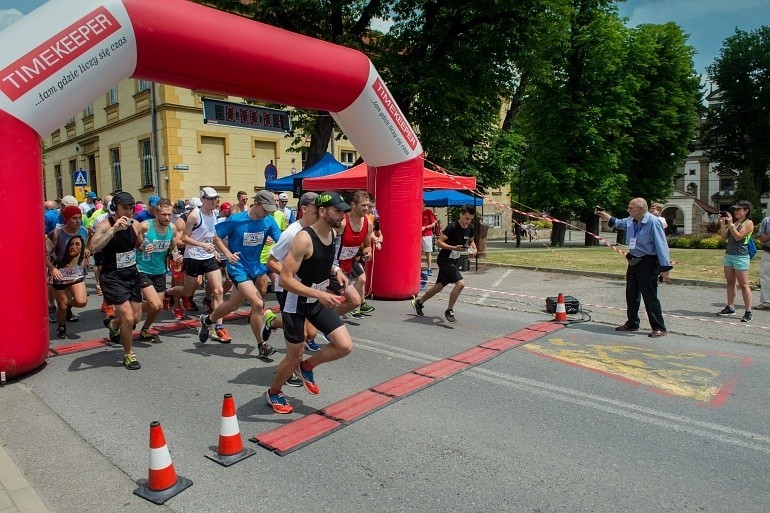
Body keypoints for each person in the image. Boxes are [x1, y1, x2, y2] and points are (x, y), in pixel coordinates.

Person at [265, 191, 352, 414]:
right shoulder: (302, 238)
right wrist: (319, 295)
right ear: (322, 212)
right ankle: (274, 391)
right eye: (337, 210)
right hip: (296, 301)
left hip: (315, 297)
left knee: (344, 345)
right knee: (294, 354)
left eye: (343, 211)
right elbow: (284, 279)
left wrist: (336, 270)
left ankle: (308, 366)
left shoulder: (332, 233)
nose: (342, 215)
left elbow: (321, 261)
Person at [197, 190, 282, 356]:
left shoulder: (269, 221)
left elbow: (283, 241)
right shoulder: (237, 220)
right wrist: (228, 254)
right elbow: (217, 237)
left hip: (256, 268)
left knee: (233, 305)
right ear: (256, 204)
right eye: (265, 209)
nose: (267, 213)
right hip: (238, 268)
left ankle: (207, 320)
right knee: (257, 304)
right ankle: (262, 345)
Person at [596, 198, 672, 337]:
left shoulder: (653, 222)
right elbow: (618, 223)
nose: (628, 210)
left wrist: (665, 268)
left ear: (641, 209)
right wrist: (603, 214)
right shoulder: (631, 220)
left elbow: (661, 246)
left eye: (631, 208)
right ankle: (632, 323)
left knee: (649, 296)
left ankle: (659, 327)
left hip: (648, 262)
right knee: (631, 294)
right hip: (634, 261)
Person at [88, 192, 143, 369]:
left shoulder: (135, 225)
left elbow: (138, 245)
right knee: (128, 317)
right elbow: (94, 247)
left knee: (136, 318)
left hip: (131, 274)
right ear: (115, 209)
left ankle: (113, 324)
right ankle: (129, 354)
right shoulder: (106, 225)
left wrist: (145, 248)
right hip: (112, 277)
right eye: (124, 208)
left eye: (130, 208)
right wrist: (113, 230)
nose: (128, 212)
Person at [411, 204, 477, 323]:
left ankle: (418, 302)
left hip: (453, 260)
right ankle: (449, 310)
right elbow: (439, 242)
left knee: (439, 287)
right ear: (461, 215)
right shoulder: (452, 227)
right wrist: (454, 247)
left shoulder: (470, 227)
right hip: (444, 260)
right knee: (460, 284)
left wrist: (474, 249)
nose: (468, 221)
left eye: (470, 219)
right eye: (466, 218)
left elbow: (471, 241)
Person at [178, 188, 227, 340]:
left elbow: (212, 236)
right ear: (203, 200)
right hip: (193, 256)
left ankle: (218, 327)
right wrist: (202, 245)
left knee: (218, 290)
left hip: (209, 256)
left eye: (215, 199)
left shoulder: (214, 213)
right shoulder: (194, 215)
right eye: (211, 199)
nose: (214, 202)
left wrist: (215, 249)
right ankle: (172, 295)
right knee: (189, 290)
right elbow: (184, 238)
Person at [135, 199, 182, 343]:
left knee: (158, 307)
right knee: (155, 304)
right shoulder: (145, 227)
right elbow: (134, 244)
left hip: (159, 270)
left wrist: (176, 256)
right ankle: (129, 315)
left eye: (169, 214)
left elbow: (172, 247)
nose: (167, 218)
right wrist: (142, 246)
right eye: (163, 214)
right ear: (156, 213)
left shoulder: (172, 228)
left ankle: (144, 329)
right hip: (142, 269)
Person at [46, 206, 89, 339]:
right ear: (66, 219)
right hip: (58, 275)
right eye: (74, 218)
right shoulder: (56, 234)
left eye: (80, 218)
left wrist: (86, 256)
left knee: (81, 302)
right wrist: (52, 269)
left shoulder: (83, 231)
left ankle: (68, 305)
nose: (78, 221)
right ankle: (61, 326)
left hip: (76, 273)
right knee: (62, 307)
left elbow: (84, 247)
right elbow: (43, 255)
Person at [717, 200, 754, 322]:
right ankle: (730, 307)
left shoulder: (748, 223)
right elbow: (723, 237)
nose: (736, 211)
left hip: (741, 257)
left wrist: (731, 223)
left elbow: (738, 237)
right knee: (730, 282)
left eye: (739, 209)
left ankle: (748, 311)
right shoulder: (735, 223)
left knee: (744, 284)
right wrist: (723, 224)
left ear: (746, 211)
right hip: (729, 255)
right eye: (735, 209)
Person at [755, 210, 770, 311]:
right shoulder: (766, 221)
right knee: (765, 277)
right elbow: (761, 239)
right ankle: (765, 302)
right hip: (767, 252)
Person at [421, 202, 437, 275]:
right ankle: (418, 268)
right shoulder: (416, 212)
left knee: (428, 252)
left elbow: (433, 224)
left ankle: (429, 268)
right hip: (417, 235)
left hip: (427, 235)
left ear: (424, 204)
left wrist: (425, 227)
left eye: (421, 203)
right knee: (418, 252)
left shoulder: (428, 212)